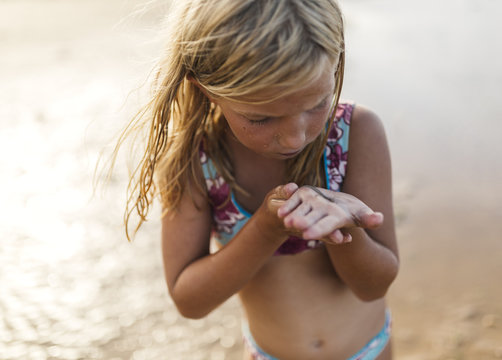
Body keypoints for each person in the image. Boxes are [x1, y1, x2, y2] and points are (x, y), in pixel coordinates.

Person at [118, 0, 399, 358]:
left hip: (369, 351)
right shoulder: (195, 161)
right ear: (207, 89)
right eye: (261, 118)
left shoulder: (355, 133)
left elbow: (373, 286)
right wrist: (267, 228)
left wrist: (346, 229)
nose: (296, 138)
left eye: (316, 104)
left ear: (335, 61)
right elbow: (190, 300)